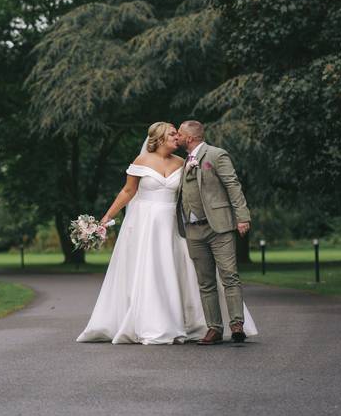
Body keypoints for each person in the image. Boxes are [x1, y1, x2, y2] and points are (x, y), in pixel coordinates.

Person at [76, 121, 256, 344]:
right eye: (172, 134)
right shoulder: (141, 161)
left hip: (175, 225)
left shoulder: (185, 162)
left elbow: (200, 191)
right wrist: (106, 218)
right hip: (148, 225)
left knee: (188, 272)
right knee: (152, 271)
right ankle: (153, 322)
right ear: (159, 138)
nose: (177, 137)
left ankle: (206, 323)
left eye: (178, 134)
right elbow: (127, 191)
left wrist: (224, 216)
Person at [175, 119, 253, 345]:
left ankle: (237, 325)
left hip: (219, 226)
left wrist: (242, 217)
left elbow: (232, 184)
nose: (177, 137)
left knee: (229, 275)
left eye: (179, 134)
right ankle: (214, 329)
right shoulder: (183, 162)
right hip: (193, 230)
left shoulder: (216, 155)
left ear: (189, 138)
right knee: (205, 281)